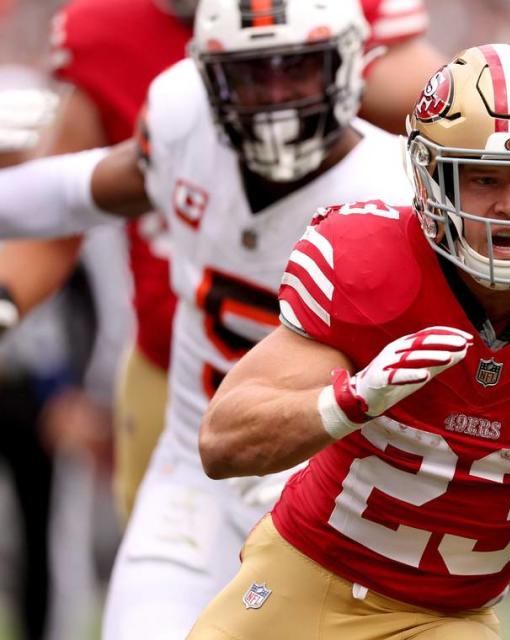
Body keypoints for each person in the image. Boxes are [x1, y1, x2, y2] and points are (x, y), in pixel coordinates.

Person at [185, 43, 510, 640]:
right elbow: (221, 443)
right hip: (308, 572)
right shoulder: (366, 264)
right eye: (484, 179)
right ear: (432, 177)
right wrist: (349, 402)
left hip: (447, 618)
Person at [0, 0, 417, 637]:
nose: (276, 96)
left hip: (335, 493)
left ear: (348, 65)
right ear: (210, 78)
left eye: (296, 68)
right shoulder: (182, 119)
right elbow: (76, 190)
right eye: (253, 73)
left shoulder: (400, 197)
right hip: (194, 473)